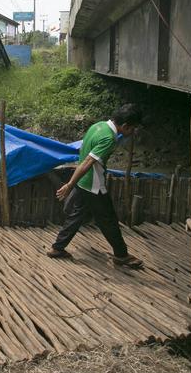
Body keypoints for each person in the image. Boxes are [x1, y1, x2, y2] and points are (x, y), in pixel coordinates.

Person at [47, 103, 145, 269]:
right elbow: (88, 162)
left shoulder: (98, 126)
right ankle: (121, 255)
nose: (133, 132)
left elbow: (83, 153)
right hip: (93, 184)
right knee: (109, 220)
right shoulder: (109, 138)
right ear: (125, 126)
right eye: (133, 128)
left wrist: (75, 183)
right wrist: (70, 184)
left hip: (83, 181)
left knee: (77, 215)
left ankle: (57, 248)